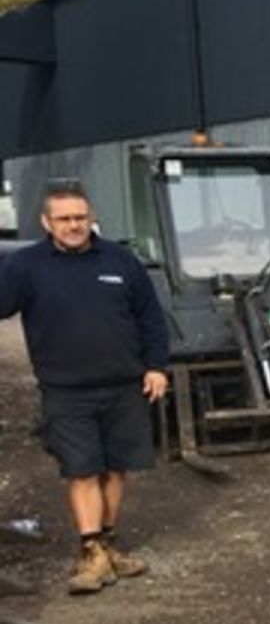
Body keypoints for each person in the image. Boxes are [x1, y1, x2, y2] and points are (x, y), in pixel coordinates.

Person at [0, 180, 170, 593]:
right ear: (46, 222)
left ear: (91, 218)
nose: (73, 225)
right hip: (65, 390)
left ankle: (108, 543)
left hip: (125, 386)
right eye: (64, 219)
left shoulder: (121, 260)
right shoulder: (25, 267)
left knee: (116, 468)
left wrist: (156, 367)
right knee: (81, 469)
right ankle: (90, 551)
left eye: (80, 217)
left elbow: (150, 317)